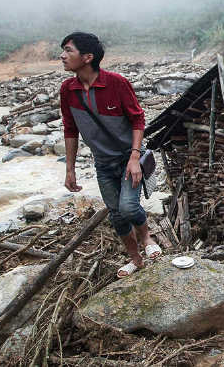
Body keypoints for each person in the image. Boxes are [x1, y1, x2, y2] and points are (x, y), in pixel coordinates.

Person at [59, 32, 161, 278]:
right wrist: (70, 169)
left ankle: (147, 238)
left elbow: (137, 118)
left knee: (128, 207)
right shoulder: (68, 89)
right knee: (116, 216)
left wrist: (135, 157)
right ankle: (136, 260)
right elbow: (70, 128)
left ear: (88, 57)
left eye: (68, 51)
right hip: (103, 164)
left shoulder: (116, 82)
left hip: (128, 158)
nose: (62, 56)